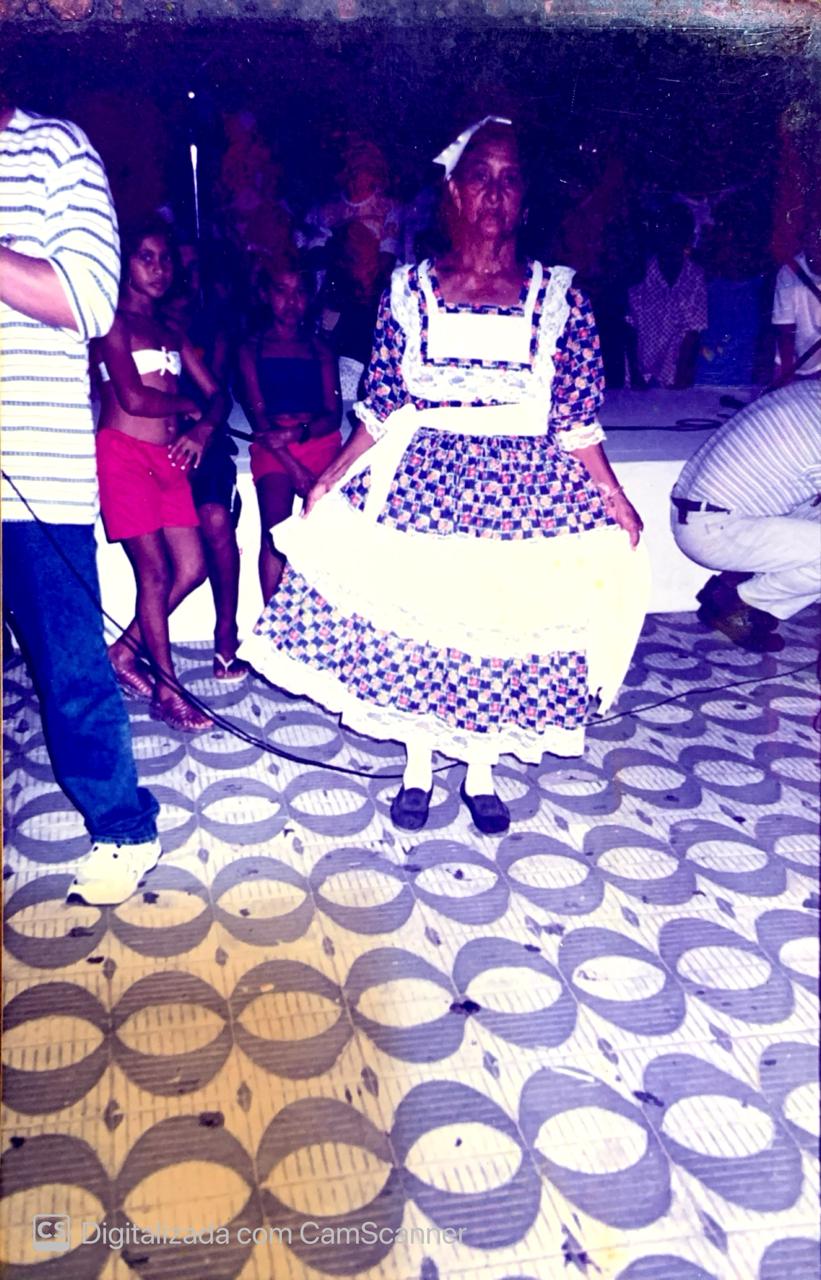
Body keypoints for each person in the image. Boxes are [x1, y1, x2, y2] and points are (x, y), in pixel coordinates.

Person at [239, 118, 648, 835]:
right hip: (425, 485)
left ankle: (481, 770)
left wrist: (613, 496)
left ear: (525, 197)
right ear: (454, 193)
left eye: (509, 179)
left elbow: (575, 417)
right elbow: (382, 404)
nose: (494, 193)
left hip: (522, 493)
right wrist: (331, 475)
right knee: (425, 625)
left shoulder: (562, 297)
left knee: (495, 624)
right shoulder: (407, 290)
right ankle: (419, 768)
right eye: (480, 178)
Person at [0, 101, 161, 906]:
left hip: (33, 470)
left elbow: (92, 301)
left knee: (69, 669)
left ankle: (124, 827)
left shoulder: (57, 150)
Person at [93, 219, 230, 730]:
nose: (158, 269)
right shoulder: (113, 322)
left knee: (191, 567)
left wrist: (204, 428)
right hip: (124, 455)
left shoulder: (171, 331)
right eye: (145, 257)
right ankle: (169, 693)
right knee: (153, 572)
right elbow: (132, 398)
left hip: (170, 458)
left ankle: (123, 652)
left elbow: (218, 394)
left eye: (165, 259)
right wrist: (187, 406)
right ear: (125, 263)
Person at [671, 379, 821, 653]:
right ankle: (736, 604)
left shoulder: (812, 391)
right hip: (715, 529)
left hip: (702, 514)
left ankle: (732, 585)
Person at [164, 241, 249, 680]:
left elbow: (216, 393)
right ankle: (133, 646)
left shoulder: (211, 327)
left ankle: (225, 636)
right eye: (181, 267)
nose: (185, 278)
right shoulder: (139, 322)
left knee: (216, 518)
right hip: (155, 443)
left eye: (194, 269)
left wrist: (201, 426)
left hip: (206, 439)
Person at [238, 258, 342, 601]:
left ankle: (320, 612)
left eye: (299, 293)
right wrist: (293, 465)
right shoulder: (251, 349)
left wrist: (298, 434)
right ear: (266, 295)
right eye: (281, 291)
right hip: (273, 446)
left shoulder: (320, 349)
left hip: (317, 438)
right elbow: (259, 419)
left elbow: (332, 415)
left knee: (327, 531)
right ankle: (272, 618)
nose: (291, 301)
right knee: (276, 533)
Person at [627, 201, 708, 389]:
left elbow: (693, 331)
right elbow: (629, 326)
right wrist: (635, 373)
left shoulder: (695, 275)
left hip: (675, 371)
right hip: (640, 374)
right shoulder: (641, 271)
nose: (670, 238)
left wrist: (681, 377)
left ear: (687, 237)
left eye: (676, 231)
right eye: (664, 230)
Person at [771, 216, 821, 383]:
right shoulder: (789, 273)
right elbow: (785, 327)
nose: (817, 245)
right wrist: (787, 377)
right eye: (813, 239)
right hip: (795, 361)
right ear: (804, 242)